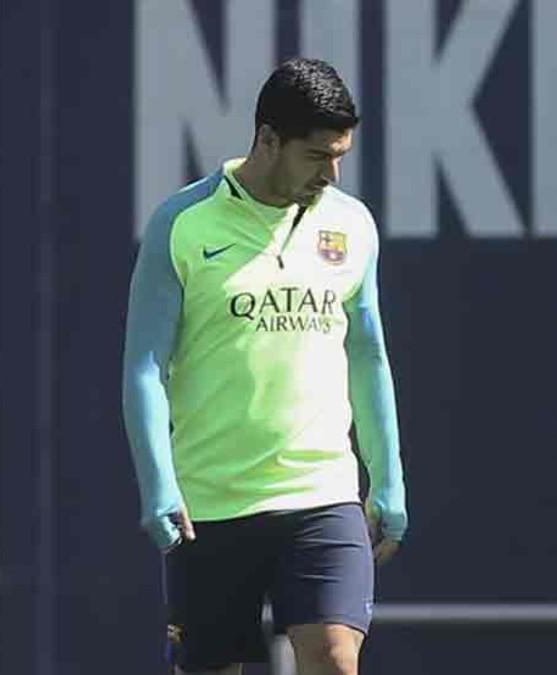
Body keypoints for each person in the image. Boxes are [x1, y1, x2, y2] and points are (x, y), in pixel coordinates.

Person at [123, 58, 406, 675]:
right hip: (211, 506)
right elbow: (144, 365)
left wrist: (387, 476)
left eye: (340, 156)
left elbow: (369, 351)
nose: (331, 174)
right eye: (316, 156)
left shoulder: (352, 224)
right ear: (267, 139)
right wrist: (158, 482)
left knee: (335, 659)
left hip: (323, 495)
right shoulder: (182, 223)